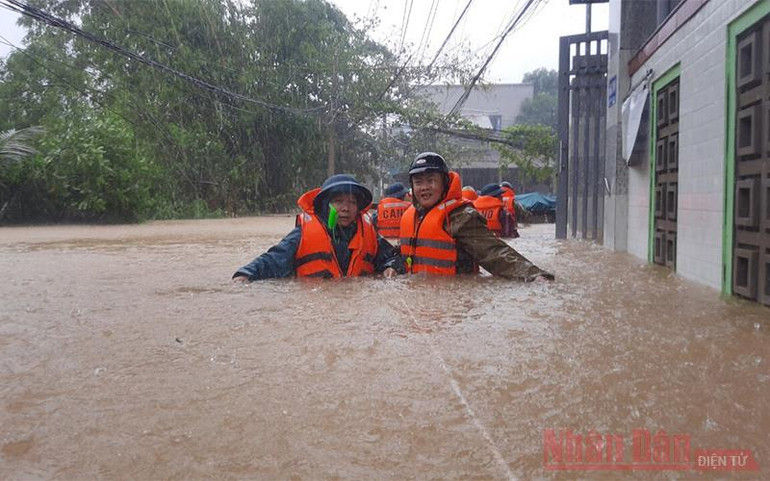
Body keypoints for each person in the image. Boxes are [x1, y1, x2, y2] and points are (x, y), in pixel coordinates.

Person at [399, 152, 553, 281]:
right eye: (418, 182)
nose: (424, 187)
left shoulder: (460, 216)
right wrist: (390, 265)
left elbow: (494, 253)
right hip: (421, 300)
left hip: (455, 300)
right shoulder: (412, 216)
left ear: (444, 183)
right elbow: (402, 251)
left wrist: (534, 276)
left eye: (431, 181)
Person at [233, 174, 405, 281]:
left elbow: (392, 257)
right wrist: (245, 275)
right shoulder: (302, 235)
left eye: (352, 202)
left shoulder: (369, 234)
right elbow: (272, 261)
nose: (346, 208)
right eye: (338, 201)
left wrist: (391, 268)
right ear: (325, 205)